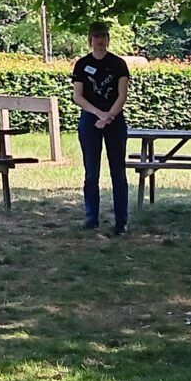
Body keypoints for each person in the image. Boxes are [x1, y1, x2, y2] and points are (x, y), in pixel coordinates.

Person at [70, 23, 132, 233]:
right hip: (90, 120)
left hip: (115, 120)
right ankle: (91, 218)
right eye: (96, 36)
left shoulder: (118, 64)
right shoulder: (81, 64)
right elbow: (78, 96)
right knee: (91, 172)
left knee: (118, 171)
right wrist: (98, 114)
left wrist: (109, 116)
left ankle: (121, 220)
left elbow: (122, 95)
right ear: (90, 40)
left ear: (108, 39)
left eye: (103, 36)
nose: (100, 40)